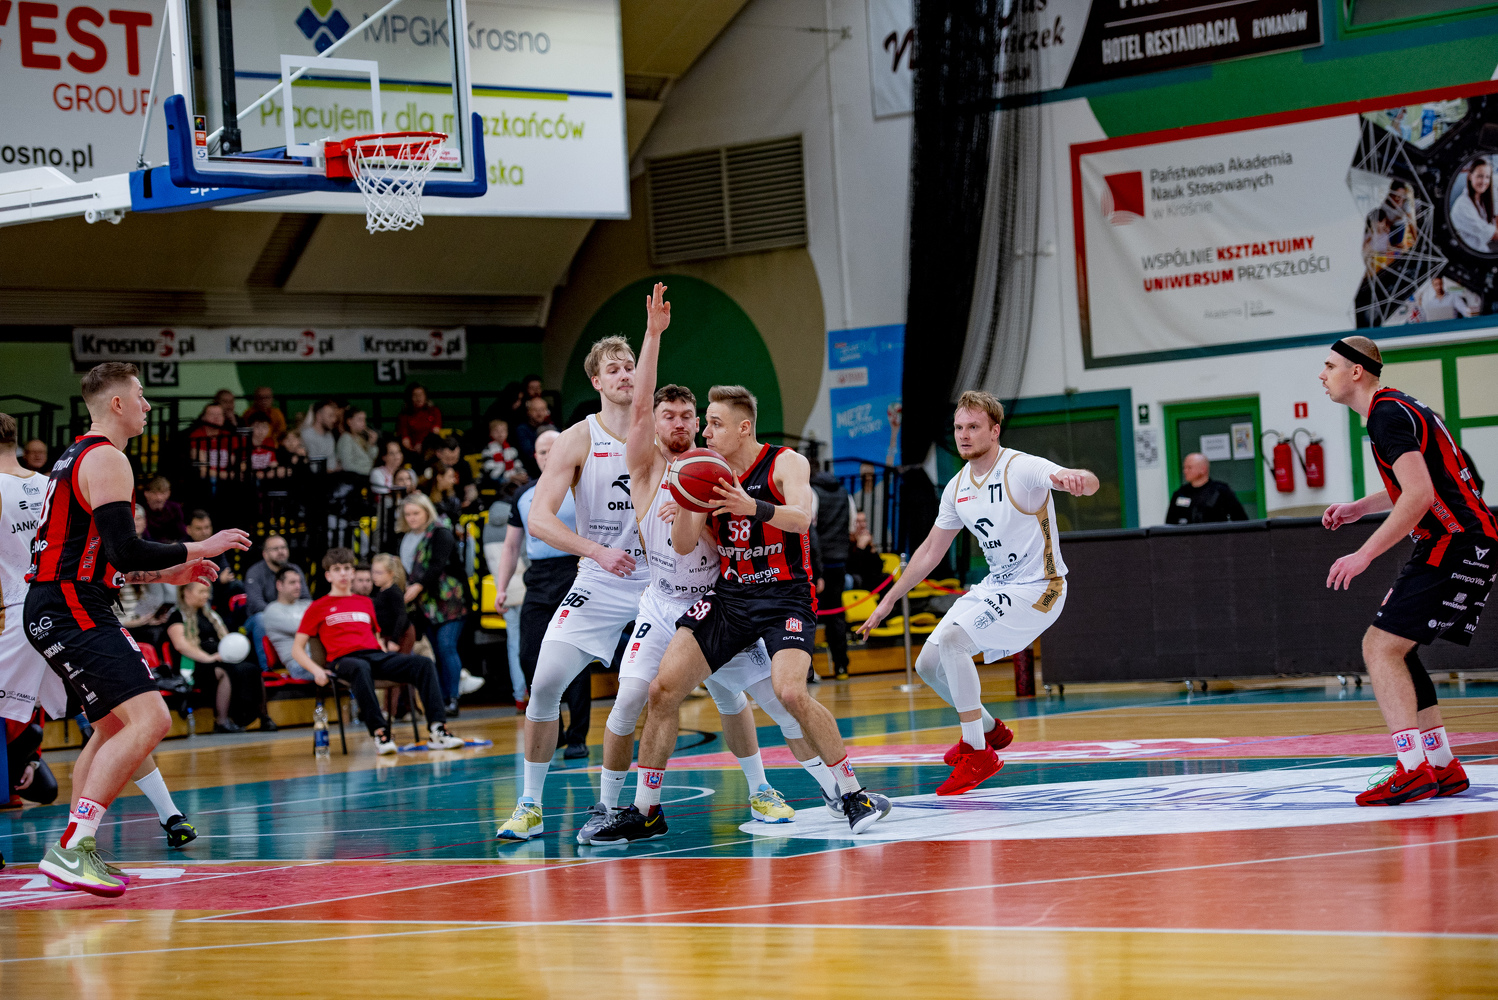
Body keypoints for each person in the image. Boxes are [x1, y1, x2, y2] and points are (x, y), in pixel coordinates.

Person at [578, 286, 844, 846]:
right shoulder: (647, 463)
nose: (681, 423)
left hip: (721, 597)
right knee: (635, 698)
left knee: (765, 702)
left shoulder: (715, 469)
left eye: (689, 415)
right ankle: (612, 806)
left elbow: (776, 522)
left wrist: (709, 511)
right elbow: (639, 409)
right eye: (668, 415)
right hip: (663, 603)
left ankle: (810, 789)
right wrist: (653, 336)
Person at [592, 384, 889, 845]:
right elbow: (683, 545)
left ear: (743, 427)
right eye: (706, 423)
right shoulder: (704, 472)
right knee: (661, 690)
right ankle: (647, 810)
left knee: (789, 694)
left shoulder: (786, 462)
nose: (705, 432)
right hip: (730, 598)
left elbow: (801, 518)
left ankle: (853, 794)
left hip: (785, 596)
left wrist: (753, 507)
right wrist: (687, 503)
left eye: (714, 424)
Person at [26, 363, 249, 896]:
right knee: (151, 719)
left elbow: (104, 557)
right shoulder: (108, 457)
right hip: (71, 605)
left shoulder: (77, 456)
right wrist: (199, 547)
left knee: (110, 728)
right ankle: (74, 847)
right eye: (141, 395)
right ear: (118, 403)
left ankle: (74, 847)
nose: (148, 405)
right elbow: (125, 549)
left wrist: (167, 573)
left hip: (63, 601)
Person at [862, 391, 1099, 796]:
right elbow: (930, 551)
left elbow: (1082, 481)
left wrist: (1079, 479)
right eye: (959, 427)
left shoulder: (1021, 467)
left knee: (954, 641)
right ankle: (989, 729)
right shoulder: (957, 487)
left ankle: (977, 751)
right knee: (928, 664)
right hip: (997, 585)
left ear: (994, 430)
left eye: (973, 427)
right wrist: (887, 600)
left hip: (1040, 588)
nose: (964, 435)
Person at [1319, 335, 1494, 805]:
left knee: (1378, 648)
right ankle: (1442, 764)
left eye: (1330, 366)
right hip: (1470, 540)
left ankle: (1412, 768)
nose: (1322, 374)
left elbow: (1419, 495)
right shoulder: (1402, 407)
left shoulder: (1386, 415)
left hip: (1452, 541)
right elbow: (1434, 478)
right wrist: (1361, 506)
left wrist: (1364, 554)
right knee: (1399, 648)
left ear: (1356, 371)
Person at [493, 331, 651, 843]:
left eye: (630, 365)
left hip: (662, 581)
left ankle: (764, 788)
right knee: (543, 684)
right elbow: (538, 519)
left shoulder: (660, 428)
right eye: (613, 368)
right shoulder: (579, 437)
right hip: (601, 579)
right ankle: (530, 805)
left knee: (730, 683)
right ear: (596, 381)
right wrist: (597, 551)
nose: (624, 374)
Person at [292, 547, 465, 754]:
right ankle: (380, 733)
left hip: (373, 656)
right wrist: (317, 671)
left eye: (347, 568)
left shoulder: (366, 602)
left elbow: (375, 637)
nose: (343, 573)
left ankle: (438, 729)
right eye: (337, 569)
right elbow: (297, 649)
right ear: (328, 576)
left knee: (423, 663)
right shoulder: (318, 607)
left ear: (353, 572)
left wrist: (386, 655)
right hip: (343, 661)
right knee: (360, 667)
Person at [398, 493, 471, 716]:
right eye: (407, 514)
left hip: (449, 600)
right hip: (424, 604)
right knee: (436, 651)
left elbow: (437, 565)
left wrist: (417, 586)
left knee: (446, 646)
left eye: (416, 513)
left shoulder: (441, 533)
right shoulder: (405, 538)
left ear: (427, 512)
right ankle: (440, 699)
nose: (412, 518)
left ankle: (453, 697)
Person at [166, 582, 271, 733]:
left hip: (218, 659)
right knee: (225, 671)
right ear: (186, 592)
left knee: (252, 668)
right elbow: (181, 645)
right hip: (195, 664)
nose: (206, 596)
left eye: (207, 592)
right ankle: (221, 721)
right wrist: (208, 658)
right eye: (201, 592)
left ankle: (263, 716)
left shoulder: (212, 616)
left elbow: (226, 639)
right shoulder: (176, 616)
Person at [481, 498, 528, 710]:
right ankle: (533, 691)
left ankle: (519, 695)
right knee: (532, 644)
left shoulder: (487, 528)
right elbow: (525, 557)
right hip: (527, 591)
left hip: (505, 591)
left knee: (514, 645)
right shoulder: (518, 522)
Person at [243, 535, 311, 675]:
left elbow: (306, 599)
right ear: (265, 554)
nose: (281, 551)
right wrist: (279, 615)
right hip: (257, 619)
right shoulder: (255, 572)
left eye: (283, 548)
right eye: (275, 549)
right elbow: (256, 604)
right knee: (261, 619)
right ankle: (267, 670)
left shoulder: (294, 570)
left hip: (289, 613)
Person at [810, 468, 854, 679]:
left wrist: (816, 569)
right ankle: (841, 666)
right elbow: (851, 528)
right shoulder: (845, 493)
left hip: (817, 564)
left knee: (808, 616)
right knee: (836, 615)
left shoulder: (811, 492)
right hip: (839, 561)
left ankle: (808, 670)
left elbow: (809, 530)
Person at [1164, 453, 1249, 525]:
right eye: (1184, 468)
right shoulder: (1181, 493)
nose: (1185, 471)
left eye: (1189, 467)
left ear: (1203, 469)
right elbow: (1170, 523)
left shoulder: (1221, 491)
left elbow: (1240, 520)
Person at [260, 566, 312, 676]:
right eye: (292, 582)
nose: (298, 586)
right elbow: (302, 629)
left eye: (299, 582)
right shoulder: (272, 610)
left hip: (318, 657)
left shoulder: (307, 604)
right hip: (297, 664)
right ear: (279, 585)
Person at [1451, 158, 1497, 253]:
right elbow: (1493, 234)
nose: (1484, 181)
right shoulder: (1463, 206)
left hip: (1482, 248)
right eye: (1480, 176)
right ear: (1470, 176)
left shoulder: (1481, 200)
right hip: (1467, 254)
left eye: (1487, 177)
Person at [369, 554, 412, 651]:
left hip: (400, 636)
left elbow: (401, 615)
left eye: (379, 573)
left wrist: (394, 640)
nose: (374, 576)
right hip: (387, 634)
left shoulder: (394, 592)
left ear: (391, 573)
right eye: (373, 572)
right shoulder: (380, 590)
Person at [480, 418, 527, 497]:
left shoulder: (511, 450)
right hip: (495, 480)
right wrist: (511, 477)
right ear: (491, 433)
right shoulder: (487, 451)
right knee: (504, 482)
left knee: (528, 479)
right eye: (496, 431)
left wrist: (521, 474)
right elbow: (492, 474)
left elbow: (518, 465)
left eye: (503, 431)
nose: (500, 434)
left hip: (512, 477)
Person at [397, 384, 443, 457]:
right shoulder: (404, 416)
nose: (419, 398)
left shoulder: (434, 411)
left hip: (431, 448)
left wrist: (423, 445)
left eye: (421, 395)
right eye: (415, 395)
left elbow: (435, 431)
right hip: (413, 451)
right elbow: (405, 439)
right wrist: (413, 448)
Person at [514, 395, 555, 477]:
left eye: (542, 410)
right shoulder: (522, 429)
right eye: (535, 410)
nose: (539, 413)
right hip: (532, 474)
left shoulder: (553, 428)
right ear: (528, 412)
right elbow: (529, 455)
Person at [337, 409, 379, 478]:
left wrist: (372, 444)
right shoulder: (346, 438)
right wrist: (370, 472)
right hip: (357, 478)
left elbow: (373, 457)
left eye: (364, 420)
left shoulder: (362, 437)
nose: (364, 423)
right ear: (349, 422)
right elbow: (347, 466)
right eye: (360, 420)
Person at [142, 476, 185, 542]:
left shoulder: (175, 508)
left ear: (168, 493)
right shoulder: (141, 510)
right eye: (154, 493)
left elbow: (182, 532)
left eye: (162, 493)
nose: (159, 498)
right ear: (146, 493)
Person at [301, 401, 341, 471]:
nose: (334, 420)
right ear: (318, 416)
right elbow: (314, 466)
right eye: (330, 416)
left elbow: (332, 460)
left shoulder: (329, 435)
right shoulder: (307, 435)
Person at [424, 461, 463, 526]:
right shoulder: (426, 497)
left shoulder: (453, 499)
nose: (453, 480)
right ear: (439, 478)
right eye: (450, 477)